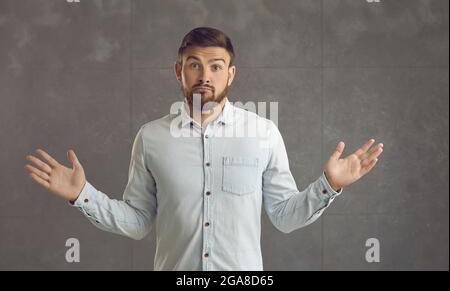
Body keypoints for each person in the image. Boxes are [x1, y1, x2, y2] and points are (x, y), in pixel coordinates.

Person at [25, 27, 384, 270]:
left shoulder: (263, 132)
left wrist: (329, 185)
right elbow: (137, 223)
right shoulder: (150, 138)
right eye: (194, 65)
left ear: (231, 74)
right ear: (178, 71)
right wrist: (82, 195)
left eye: (216, 66)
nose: (204, 76)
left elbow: (284, 217)